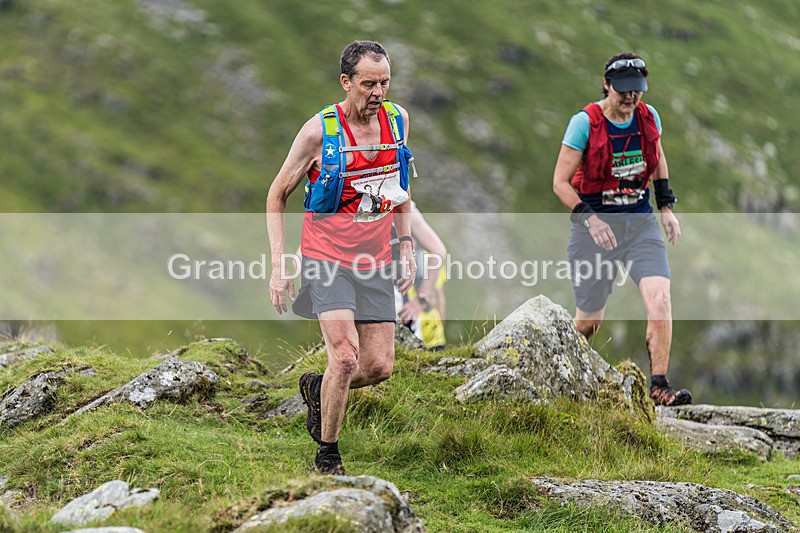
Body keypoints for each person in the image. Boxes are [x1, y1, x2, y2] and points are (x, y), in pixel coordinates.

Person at [267, 40, 416, 475]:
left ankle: (320, 388)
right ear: (345, 82)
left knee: (379, 367)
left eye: (384, 82)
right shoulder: (319, 133)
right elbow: (276, 194)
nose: (378, 93)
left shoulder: (397, 121)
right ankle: (327, 457)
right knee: (346, 357)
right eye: (368, 84)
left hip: (375, 259)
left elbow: (401, 186)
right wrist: (279, 265)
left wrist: (406, 245)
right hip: (325, 258)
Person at [552, 51, 692, 406]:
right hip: (594, 229)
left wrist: (666, 207)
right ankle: (556, 374)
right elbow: (560, 183)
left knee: (660, 298)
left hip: (639, 225)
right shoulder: (584, 123)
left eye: (637, 90)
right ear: (606, 84)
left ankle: (658, 386)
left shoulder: (648, 117)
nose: (630, 97)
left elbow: (657, 158)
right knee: (589, 322)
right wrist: (591, 219)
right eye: (623, 90)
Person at [395, 202, 448, 349]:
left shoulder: (427, 261)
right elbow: (440, 298)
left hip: (425, 330)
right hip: (427, 330)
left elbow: (439, 298)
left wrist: (419, 302)